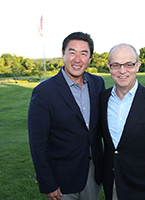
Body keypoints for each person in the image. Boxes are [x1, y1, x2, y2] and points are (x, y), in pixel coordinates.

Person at [28, 32, 105, 200]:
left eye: (83, 53)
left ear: (90, 59)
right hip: (61, 180)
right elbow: (38, 144)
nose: (77, 59)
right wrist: (48, 182)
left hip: (93, 174)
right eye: (72, 52)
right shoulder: (43, 92)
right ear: (63, 55)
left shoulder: (97, 83)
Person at [100, 44, 145, 200]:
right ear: (109, 67)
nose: (122, 71)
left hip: (144, 188)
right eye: (116, 65)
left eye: (129, 65)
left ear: (138, 65)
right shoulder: (102, 99)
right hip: (113, 185)